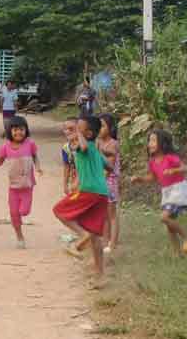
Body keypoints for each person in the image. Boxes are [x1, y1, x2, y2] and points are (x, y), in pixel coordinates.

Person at [52, 116, 109, 288]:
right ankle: (100, 276)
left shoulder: (83, 147)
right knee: (95, 237)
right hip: (102, 194)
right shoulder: (95, 151)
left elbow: (83, 147)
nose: (72, 131)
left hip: (89, 191)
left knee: (59, 210)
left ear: (88, 133)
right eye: (69, 129)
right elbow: (110, 167)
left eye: (77, 128)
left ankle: (81, 236)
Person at [130, 130, 187, 255]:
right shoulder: (152, 162)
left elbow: (185, 168)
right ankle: (177, 254)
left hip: (178, 189)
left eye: (153, 140)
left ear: (163, 143)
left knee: (164, 217)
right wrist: (139, 179)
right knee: (170, 226)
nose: (150, 143)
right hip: (167, 192)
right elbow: (152, 178)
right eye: (149, 140)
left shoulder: (170, 158)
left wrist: (174, 170)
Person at [0, 116, 43, 249]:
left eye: (21, 129)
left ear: (26, 130)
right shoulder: (5, 147)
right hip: (13, 187)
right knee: (14, 214)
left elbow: (35, 157)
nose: (18, 132)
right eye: (15, 130)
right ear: (9, 131)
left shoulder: (30, 144)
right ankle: (19, 237)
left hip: (27, 186)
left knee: (24, 212)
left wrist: (38, 167)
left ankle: (21, 218)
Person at [97, 113, 120, 254]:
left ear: (111, 128)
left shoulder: (113, 144)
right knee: (104, 214)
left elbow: (108, 168)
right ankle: (105, 241)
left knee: (111, 214)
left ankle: (112, 243)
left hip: (109, 181)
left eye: (103, 126)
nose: (100, 129)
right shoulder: (99, 142)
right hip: (101, 181)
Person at [61, 118, 79, 195]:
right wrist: (65, 184)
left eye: (71, 129)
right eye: (65, 129)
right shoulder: (65, 148)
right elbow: (66, 166)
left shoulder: (84, 146)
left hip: (86, 182)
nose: (67, 131)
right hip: (73, 182)